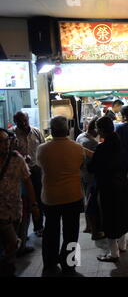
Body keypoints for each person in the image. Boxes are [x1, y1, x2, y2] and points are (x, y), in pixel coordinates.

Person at [37, 116, 91, 276]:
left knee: (51, 231)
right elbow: (83, 164)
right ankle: (69, 265)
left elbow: (40, 165)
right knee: (71, 233)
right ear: (67, 130)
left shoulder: (42, 149)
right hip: (72, 196)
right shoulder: (77, 148)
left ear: (52, 131)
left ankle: (50, 264)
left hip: (51, 198)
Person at [88, 117, 128, 262]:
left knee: (110, 218)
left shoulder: (102, 148)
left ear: (101, 130)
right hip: (123, 184)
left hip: (108, 188)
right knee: (122, 214)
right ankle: (123, 245)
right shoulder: (120, 144)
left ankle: (113, 253)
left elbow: (92, 168)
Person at [0, 128, 39, 277]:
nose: (5, 144)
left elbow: (28, 182)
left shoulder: (17, 159)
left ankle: (9, 264)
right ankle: (8, 267)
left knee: (11, 242)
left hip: (15, 208)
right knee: (12, 241)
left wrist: (34, 204)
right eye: (1, 141)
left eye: (6, 140)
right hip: (1, 210)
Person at [11, 111, 45, 239]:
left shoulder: (36, 132)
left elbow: (42, 148)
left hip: (36, 169)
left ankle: (38, 227)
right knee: (24, 202)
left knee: (38, 199)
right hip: (20, 173)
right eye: (20, 121)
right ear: (15, 122)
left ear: (28, 118)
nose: (24, 124)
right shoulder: (12, 134)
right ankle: (21, 233)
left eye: (25, 120)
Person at [75, 116, 104, 240]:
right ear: (95, 130)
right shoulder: (92, 142)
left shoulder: (80, 137)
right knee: (93, 202)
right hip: (91, 175)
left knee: (87, 199)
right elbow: (97, 159)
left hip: (82, 173)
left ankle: (88, 226)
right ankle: (95, 231)